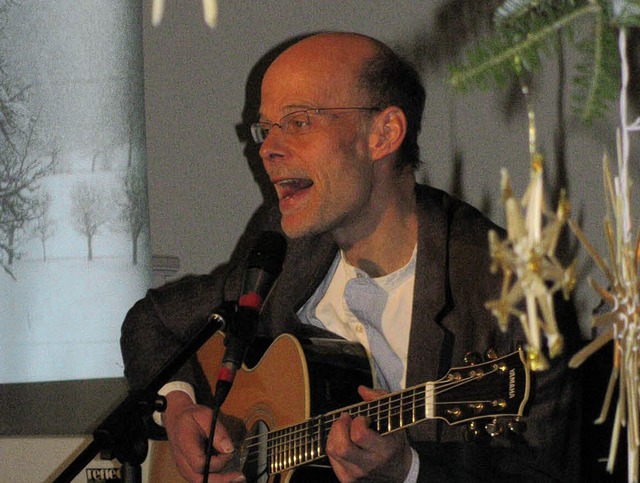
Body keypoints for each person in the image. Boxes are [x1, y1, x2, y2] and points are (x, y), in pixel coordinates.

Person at [121, 32, 581, 482]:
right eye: (266, 128)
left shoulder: (508, 291)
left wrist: (408, 470)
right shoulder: (290, 252)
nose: (267, 149)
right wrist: (179, 409)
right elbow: (153, 324)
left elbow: (549, 470)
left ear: (383, 134)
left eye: (298, 122)